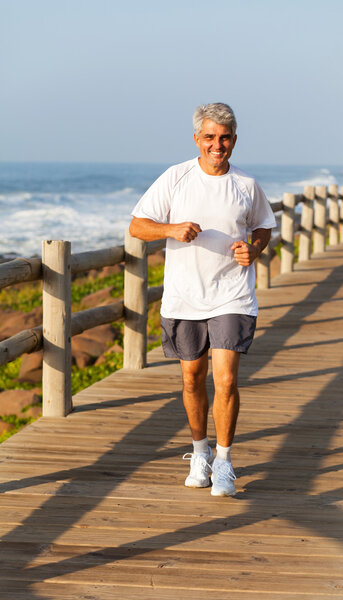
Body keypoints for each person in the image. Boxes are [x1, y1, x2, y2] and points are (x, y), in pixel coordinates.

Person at [129, 103, 276, 496]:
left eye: (225, 137)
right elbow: (138, 225)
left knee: (225, 378)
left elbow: (263, 226)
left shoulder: (246, 184)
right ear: (197, 138)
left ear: (234, 140)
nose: (217, 144)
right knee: (192, 378)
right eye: (210, 137)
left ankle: (225, 462)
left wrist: (254, 249)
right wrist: (171, 229)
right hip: (184, 296)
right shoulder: (175, 178)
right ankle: (200, 452)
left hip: (232, 295)